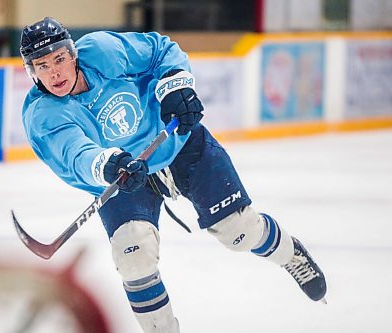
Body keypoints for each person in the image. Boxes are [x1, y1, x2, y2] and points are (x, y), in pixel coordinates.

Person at [19, 17, 327, 332]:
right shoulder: (43, 114)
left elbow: (160, 51)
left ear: (73, 55)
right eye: (42, 66)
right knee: (133, 256)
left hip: (178, 143)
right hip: (122, 177)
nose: (54, 72)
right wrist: (111, 163)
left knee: (239, 232)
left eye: (59, 59)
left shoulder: (103, 51)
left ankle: (291, 254)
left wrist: (175, 85)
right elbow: (76, 153)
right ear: (33, 73)